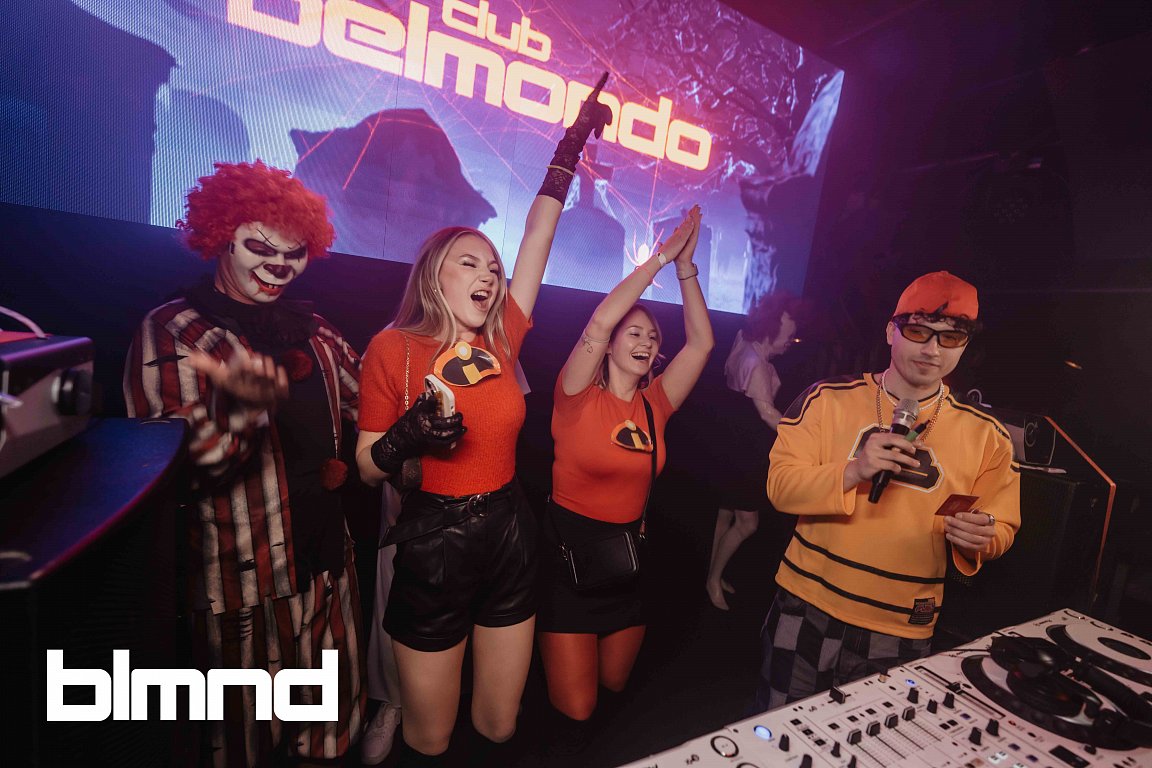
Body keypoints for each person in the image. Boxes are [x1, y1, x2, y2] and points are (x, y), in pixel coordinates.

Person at [353, 77, 614, 767]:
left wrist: (570, 146)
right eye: (469, 262)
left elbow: (538, 235)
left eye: (493, 269)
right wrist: (406, 438)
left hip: (509, 533)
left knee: (499, 727)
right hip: (433, 543)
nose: (489, 275)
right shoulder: (393, 348)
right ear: (433, 275)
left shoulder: (502, 343)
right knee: (429, 737)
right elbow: (366, 467)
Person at [124, 160, 365, 766]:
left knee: (328, 738)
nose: (278, 266)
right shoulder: (175, 331)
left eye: (294, 253)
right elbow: (163, 470)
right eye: (260, 247)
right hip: (236, 589)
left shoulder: (318, 334)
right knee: (238, 747)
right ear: (221, 237)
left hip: (326, 572)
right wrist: (236, 412)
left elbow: (373, 408)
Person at [755, 271, 1021, 710]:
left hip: (903, 622)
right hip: (807, 605)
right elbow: (780, 488)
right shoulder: (826, 399)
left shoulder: (988, 436)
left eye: (950, 338)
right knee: (777, 725)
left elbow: (1002, 526)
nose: (932, 350)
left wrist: (983, 536)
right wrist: (854, 471)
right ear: (890, 331)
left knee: (874, 740)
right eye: (919, 331)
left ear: (965, 346)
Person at [537, 205, 713, 763]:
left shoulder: (656, 403)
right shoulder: (575, 395)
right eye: (632, 332)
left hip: (626, 565)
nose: (645, 341)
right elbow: (597, 323)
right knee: (577, 710)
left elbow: (702, 345)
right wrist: (659, 259)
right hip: (568, 564)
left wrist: (686, 270)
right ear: (610, 344)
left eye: (652, 336)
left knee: (614, 688)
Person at [705, 293, 803, 611]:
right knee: (748, 523)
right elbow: (767, 414)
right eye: (788, 336)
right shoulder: (756, 364)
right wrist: (802, 437)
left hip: (730, 443)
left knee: (725, 514)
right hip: (745, 452)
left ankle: (712, 575)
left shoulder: (743, 341)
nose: (790, 342)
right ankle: (712, 580)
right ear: (770, 331)